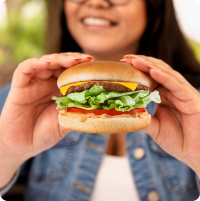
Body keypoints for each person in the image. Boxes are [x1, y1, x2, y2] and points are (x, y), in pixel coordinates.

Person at [1, 0, 200, 200]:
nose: (96, 2)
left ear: (152, 8)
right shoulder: (20, 96)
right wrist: (7, 153)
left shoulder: (192, 105)